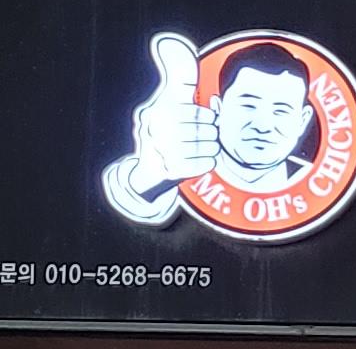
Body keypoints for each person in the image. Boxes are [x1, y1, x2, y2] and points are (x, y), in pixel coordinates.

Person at [104, 32, 320, 222]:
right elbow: (139, 197)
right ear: (218, 108)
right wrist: (148, 176)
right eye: (248, 106)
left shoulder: (312, 180)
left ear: (302, 121)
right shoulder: (182, 166)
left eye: (281, 111)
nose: (263, 126)